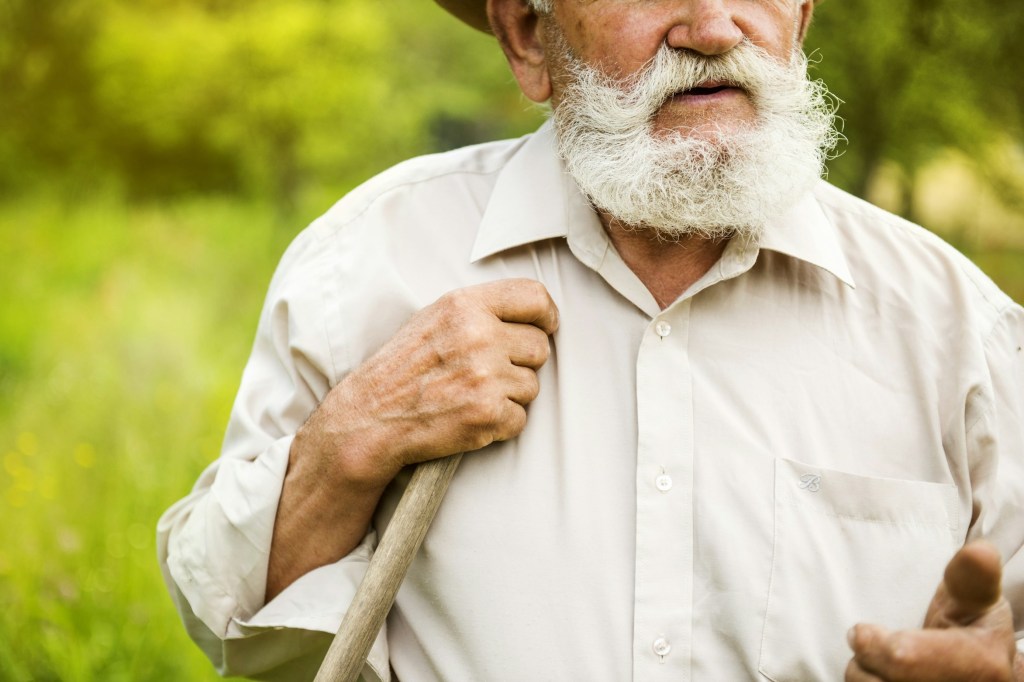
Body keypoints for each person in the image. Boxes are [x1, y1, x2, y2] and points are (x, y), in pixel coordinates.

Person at [157, 0, 1024, 679]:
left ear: (801, 16)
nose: (714, 28)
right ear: (528, 36)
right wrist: (350, 442)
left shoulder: (956, 330)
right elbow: (220, 618)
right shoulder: (366, 264)